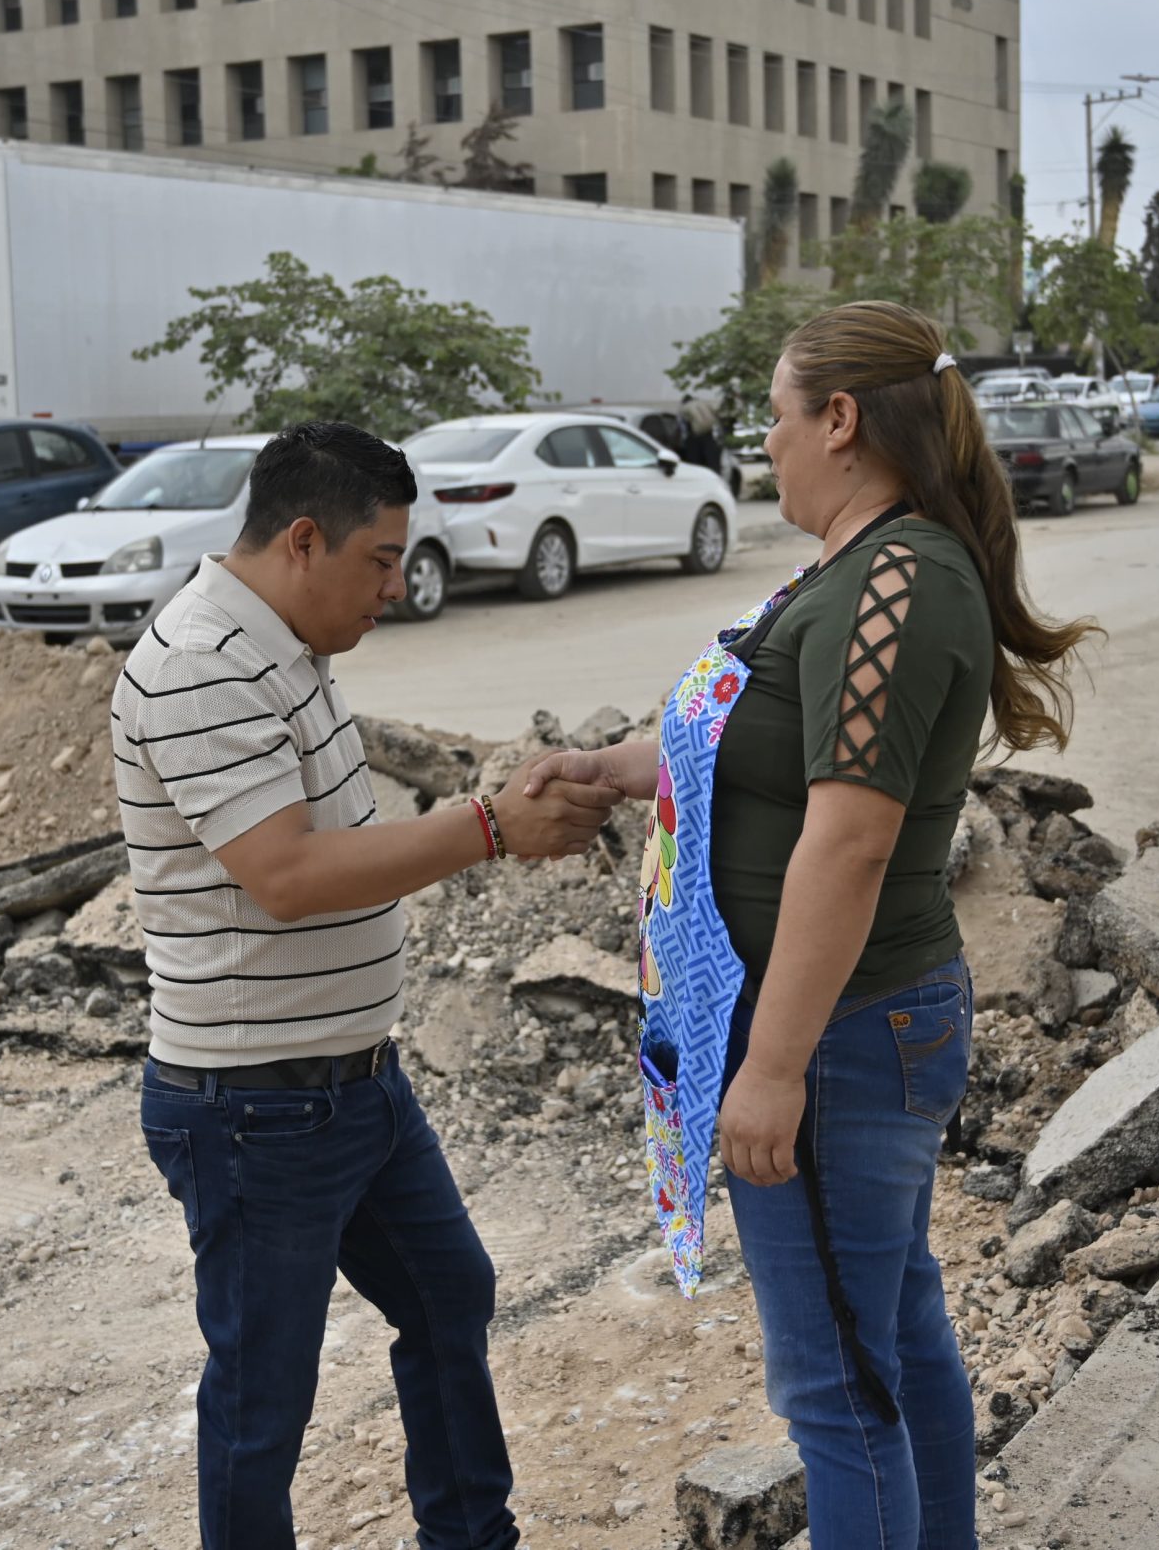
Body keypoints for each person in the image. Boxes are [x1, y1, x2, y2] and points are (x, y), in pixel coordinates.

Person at [523, 301, 1094, 1549]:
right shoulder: (867, 566)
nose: (761, 445)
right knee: (891, 1335)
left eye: (773, 419)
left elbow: (849, 836)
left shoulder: (891, 581)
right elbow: (759, 749)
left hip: (833, 1038)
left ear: (839, 421)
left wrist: (771, 1069)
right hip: (852, 1028)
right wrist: (625, 767)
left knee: (837, 1393)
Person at [116, 421, 621, 1550]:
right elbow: (288, 875)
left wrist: (493, 810)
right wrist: (491, 828)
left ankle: (470, 1537)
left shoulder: (286, 648)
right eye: (379, 559)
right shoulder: (204, 664)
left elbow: (334, 843)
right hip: (256, 1102)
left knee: (449, 1297)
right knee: (262, 1399)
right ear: (303, 539)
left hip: (357, 1085)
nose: (395, 585)